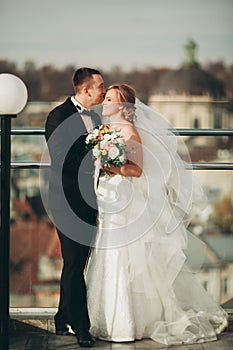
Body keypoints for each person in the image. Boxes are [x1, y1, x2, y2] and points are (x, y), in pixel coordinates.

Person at [85, 84, 228, 345]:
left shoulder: (129, 132)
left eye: (109, 99)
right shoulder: (106, 132)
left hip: (124, 201)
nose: (103, 102)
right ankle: (108, 318)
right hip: (107, 197)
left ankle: (127, 324)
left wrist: (111, 168)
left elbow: (137, 171)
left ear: (123, 106)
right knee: (108, 253)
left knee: (125, 256)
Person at [45, 67, 106, 348]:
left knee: (76, 263)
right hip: (67, 202)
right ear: (86, 90)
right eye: (100, 86)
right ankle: (82, 329)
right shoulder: (57, 116)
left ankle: (61, 317)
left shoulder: (94, 116)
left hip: (91, 201)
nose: (104, 90)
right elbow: (62, 161)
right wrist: (95, 146)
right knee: (74, 264)